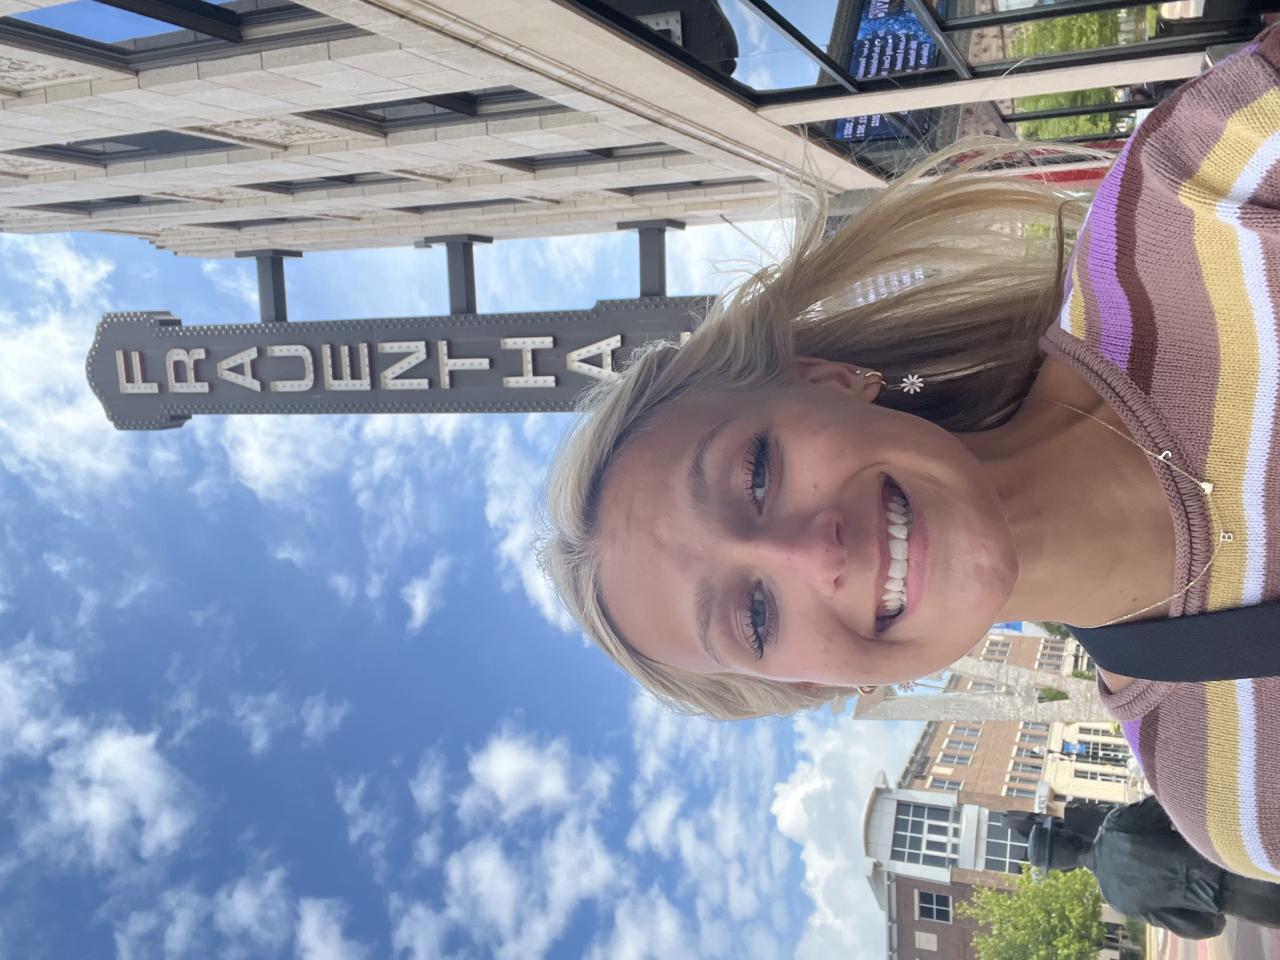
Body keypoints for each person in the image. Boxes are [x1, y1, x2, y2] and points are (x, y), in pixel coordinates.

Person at [541, 24, 1280, 880]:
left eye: (756, 472)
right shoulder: (1236, 803)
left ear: (826, 381)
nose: (811, 555)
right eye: (755, 617)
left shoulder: (1198, 204)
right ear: (821, 687)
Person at [1027, 797, 1280, 939]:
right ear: (1068, 834)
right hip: (1239, 855)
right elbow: (1175, 800)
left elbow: (1200, 927)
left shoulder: (1118, 900)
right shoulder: (1116, 825)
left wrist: (1212, 907)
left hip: (1247, 905)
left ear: (1063, 868)